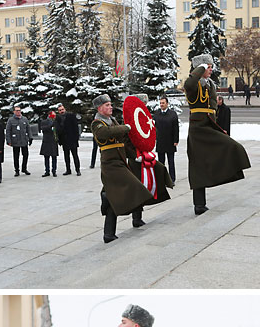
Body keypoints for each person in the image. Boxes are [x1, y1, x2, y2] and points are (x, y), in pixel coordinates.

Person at [185, 58, 250, 214]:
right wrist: (200, 67)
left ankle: (229, 173)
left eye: (210, 67)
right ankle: (199, 204)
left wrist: (218, 129)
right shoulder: (194, 86)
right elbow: (188, 84)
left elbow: (213, 110)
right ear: (199, 68)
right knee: (197, 167)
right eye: (207, 67)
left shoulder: (208, 86)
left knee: (232, 146)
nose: (210, 70)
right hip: (198, 130)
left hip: (209, 127)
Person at [92, 95, 155, 243]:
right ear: (99, 108)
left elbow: (124, 143)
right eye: (107, 105)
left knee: (122, 193)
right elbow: (105, 133)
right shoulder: (97, 123)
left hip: (120, 163)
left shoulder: (112, 121)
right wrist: (126, 127)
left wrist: (135, 156)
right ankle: (108, 198)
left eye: (110, 104)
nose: (110, 107)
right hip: (110, 165)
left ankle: (113, 230)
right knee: (135, 186)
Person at [155, 94, 179, 181]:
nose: (161, 105)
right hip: (161, 142)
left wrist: (176, 140)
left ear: (167, 104)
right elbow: (154, 127)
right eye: (160, 103)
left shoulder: (172, 114)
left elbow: (176, 128)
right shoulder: (157, 114)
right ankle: (162, 179)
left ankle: (172, 179)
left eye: (163, 103)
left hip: (170, 141)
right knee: (161, 163)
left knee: (171, 162)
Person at [5, 105, 32, 176]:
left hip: (24, 140)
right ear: (14, 111)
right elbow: (8, 131)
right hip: (15, 141)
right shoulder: (11, 120)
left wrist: (30, 137)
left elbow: (28, 129)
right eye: (16, 110)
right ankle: (17, 170)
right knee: (16, 156)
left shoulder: (24, 119)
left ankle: (24, 168)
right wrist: (8, 140)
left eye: (19, 110)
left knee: (25, 155)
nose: (18, 112)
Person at [56, 103, 81, 176]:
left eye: (62, 109)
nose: (62, 111)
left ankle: (78, 170)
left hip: (72, 139)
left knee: (75, 155)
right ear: (58, 111)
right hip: (64, 140)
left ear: (65, 109)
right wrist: (59, 140)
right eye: (60, 110)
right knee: (66, 156)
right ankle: (68, 170)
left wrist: (76, 138)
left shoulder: (71, 116)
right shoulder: (58, 118)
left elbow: (75, 128)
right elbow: (57, 129)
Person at [39, 109, 58, 177]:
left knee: (54, 157)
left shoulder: (56, 121)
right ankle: (47, 171)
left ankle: (54, 171)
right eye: (53, 115)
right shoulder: (45, 122)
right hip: (47, 141)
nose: (54, 116)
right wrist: (50, 126)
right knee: (46, 157)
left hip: (54, 141)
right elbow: (43, 129)